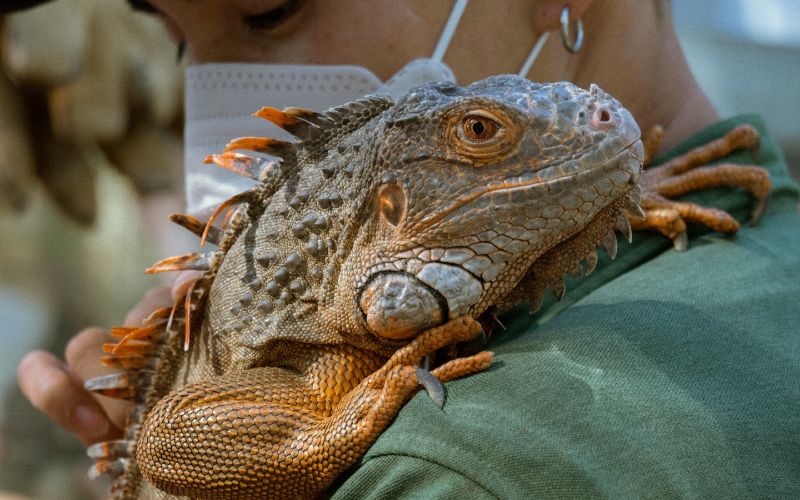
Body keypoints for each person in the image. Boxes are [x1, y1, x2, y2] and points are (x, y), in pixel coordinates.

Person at [16, 0, 800, 497]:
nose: (218, 83)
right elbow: (171, 440)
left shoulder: (451, 462)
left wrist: (329, 441)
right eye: (177, 37)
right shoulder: (768, 247)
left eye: (269, 10)